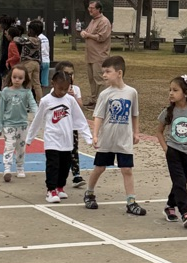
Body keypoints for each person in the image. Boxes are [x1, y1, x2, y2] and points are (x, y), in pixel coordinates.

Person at [83, 55, 145, 215]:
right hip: (107, 139)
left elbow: (135, 114)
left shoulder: (132, 92)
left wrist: (136, 132)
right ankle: (89, 193)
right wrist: (95, 135)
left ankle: (131, 201)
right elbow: (98, 116)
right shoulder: (105, 94)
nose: (104, 75)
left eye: (107, 72)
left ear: (119, 73)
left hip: (124, 140)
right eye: (103, 72)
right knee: (100, 167)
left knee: (127, 169)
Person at [26, 70, 92, 204]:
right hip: (52, 139)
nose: (62, 92)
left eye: (66, 89)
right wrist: (29, 137)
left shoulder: (70, 100)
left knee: (65, 165)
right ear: (53, 84)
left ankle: (60, 187)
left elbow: (80, 119)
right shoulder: (46, 101)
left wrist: (88, 136)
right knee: (53, 165)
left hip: (67, 140)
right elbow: (37, 120)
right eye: (60, 88)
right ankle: (51, 190)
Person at [156, 74, 187, 228]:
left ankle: (170, 206)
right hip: (173, 151)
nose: (171, 93)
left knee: (180, 182)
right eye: (170, 90)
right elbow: (159, 131)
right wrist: (166, 149)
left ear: (186, 93)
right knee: (180, 181)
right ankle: (185, 212)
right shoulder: (168, 111)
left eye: (175, 90)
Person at [0, 65, 37, 182]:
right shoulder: (6, 92)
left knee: (21, 147)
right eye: (14, 77)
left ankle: (20, 167)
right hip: (9, 124)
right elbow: (1, 110)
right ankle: (7, 168)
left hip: (23, 125)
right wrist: (0, 126)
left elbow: (33, 104)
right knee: (9, 146)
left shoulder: (27, 92)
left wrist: (38, 114)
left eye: (20, 78)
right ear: (11, 77)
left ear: (25, 79)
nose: (17, 80)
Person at [53, 60, 86, 188]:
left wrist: (73, 97)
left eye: (72, 74)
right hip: (59, 126)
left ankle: (76, 174)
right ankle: (57, 174)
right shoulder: (56, 89)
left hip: (71, 126)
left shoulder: (75, 89)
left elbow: (80, 106)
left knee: (73, 150)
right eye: (66, 74)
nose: (70, 77)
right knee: (58, 152)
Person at [80, 0, 112, 106]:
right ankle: (93, 99)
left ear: (98, 9)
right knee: (91, 79)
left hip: (99, 56)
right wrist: (84, 32)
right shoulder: (93, 20)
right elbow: (89, 32)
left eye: (92, 8)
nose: (90, 10)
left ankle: (102, 102)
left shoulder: (104, 21)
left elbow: (102, 37)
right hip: (90, 55)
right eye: (89, 8)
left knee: (100, 80)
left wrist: (88, 35)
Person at [18, 21, 43, 102]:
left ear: (32, 31)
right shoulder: (38, 40)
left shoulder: (28, 40)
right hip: (36, 63)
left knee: (27, 84)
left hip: (27, 63)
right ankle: (40, 101)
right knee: (37, 84)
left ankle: (27, 102)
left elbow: (17, 40)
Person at [35, 19, 50, 90]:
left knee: (37, 83)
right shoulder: (45, 38)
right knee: (43, 83)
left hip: (40, 61)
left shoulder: (37, 38)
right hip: (47, 60)